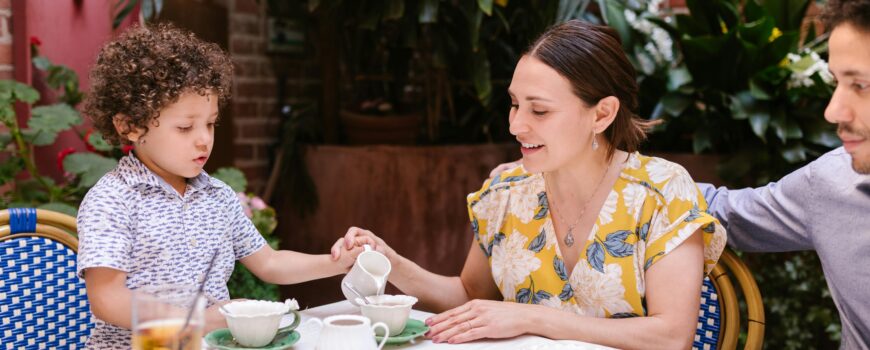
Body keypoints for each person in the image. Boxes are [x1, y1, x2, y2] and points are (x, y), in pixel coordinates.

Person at [334, 20, 726, 349]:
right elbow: (471, 296)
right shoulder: (506, 192)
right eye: (515, 103)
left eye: (539, 110)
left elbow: (672, 336)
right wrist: (389, 261)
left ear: (602, 114)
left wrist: (534, 318)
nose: (516, 124)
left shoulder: (661, 191)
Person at [76, 24, 368, 348]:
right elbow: (107, 299)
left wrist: (336, 263)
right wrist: (203, 319)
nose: (204, 139)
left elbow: (269, 263)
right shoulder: (113, 199)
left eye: (211, 123)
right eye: (185, 127)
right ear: (129, 126)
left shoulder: (218, 196)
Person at [699, 1, 870, 348]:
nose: (833, 111)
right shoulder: (834, 181)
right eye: (837, 82)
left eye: (862, 85)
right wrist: (614, 167)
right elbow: (723, 212)